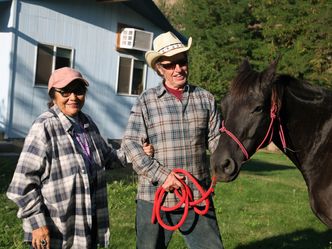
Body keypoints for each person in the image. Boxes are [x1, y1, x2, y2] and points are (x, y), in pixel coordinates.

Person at [6, 67, 153, 249]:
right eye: (65, 92)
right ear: (53, 95)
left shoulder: (87, 124)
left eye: (79, 91)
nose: (73, 97)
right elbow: (22, 183)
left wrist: (138, 151)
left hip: (86, 228)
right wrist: (37, 224)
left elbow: (109, 158)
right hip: (56, 231)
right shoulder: (44, 127)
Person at [122, 31, 224, 249]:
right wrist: (162, 176)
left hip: (197, 195)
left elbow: (216, 140)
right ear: (159, 68)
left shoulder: (206, 98)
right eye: (170, 65)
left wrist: (228, 157)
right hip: (154, 196)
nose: (178, 69)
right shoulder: (146, 101)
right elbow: (130, 143)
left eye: (182, 62)